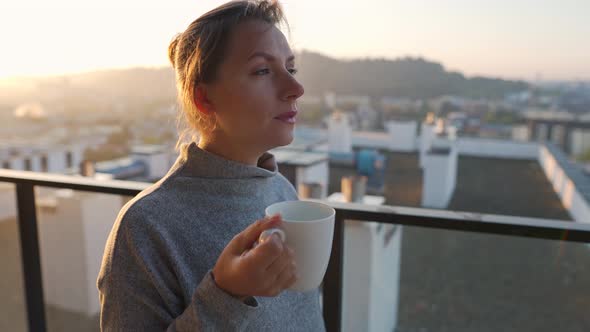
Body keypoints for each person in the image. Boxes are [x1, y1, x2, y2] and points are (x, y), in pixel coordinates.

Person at [96, 1, 326, 331]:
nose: (296, 89)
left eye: (291, 69)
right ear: (203, 98)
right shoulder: (145, 228)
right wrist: (226, 295)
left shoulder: (281, 191)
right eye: (262, 70)